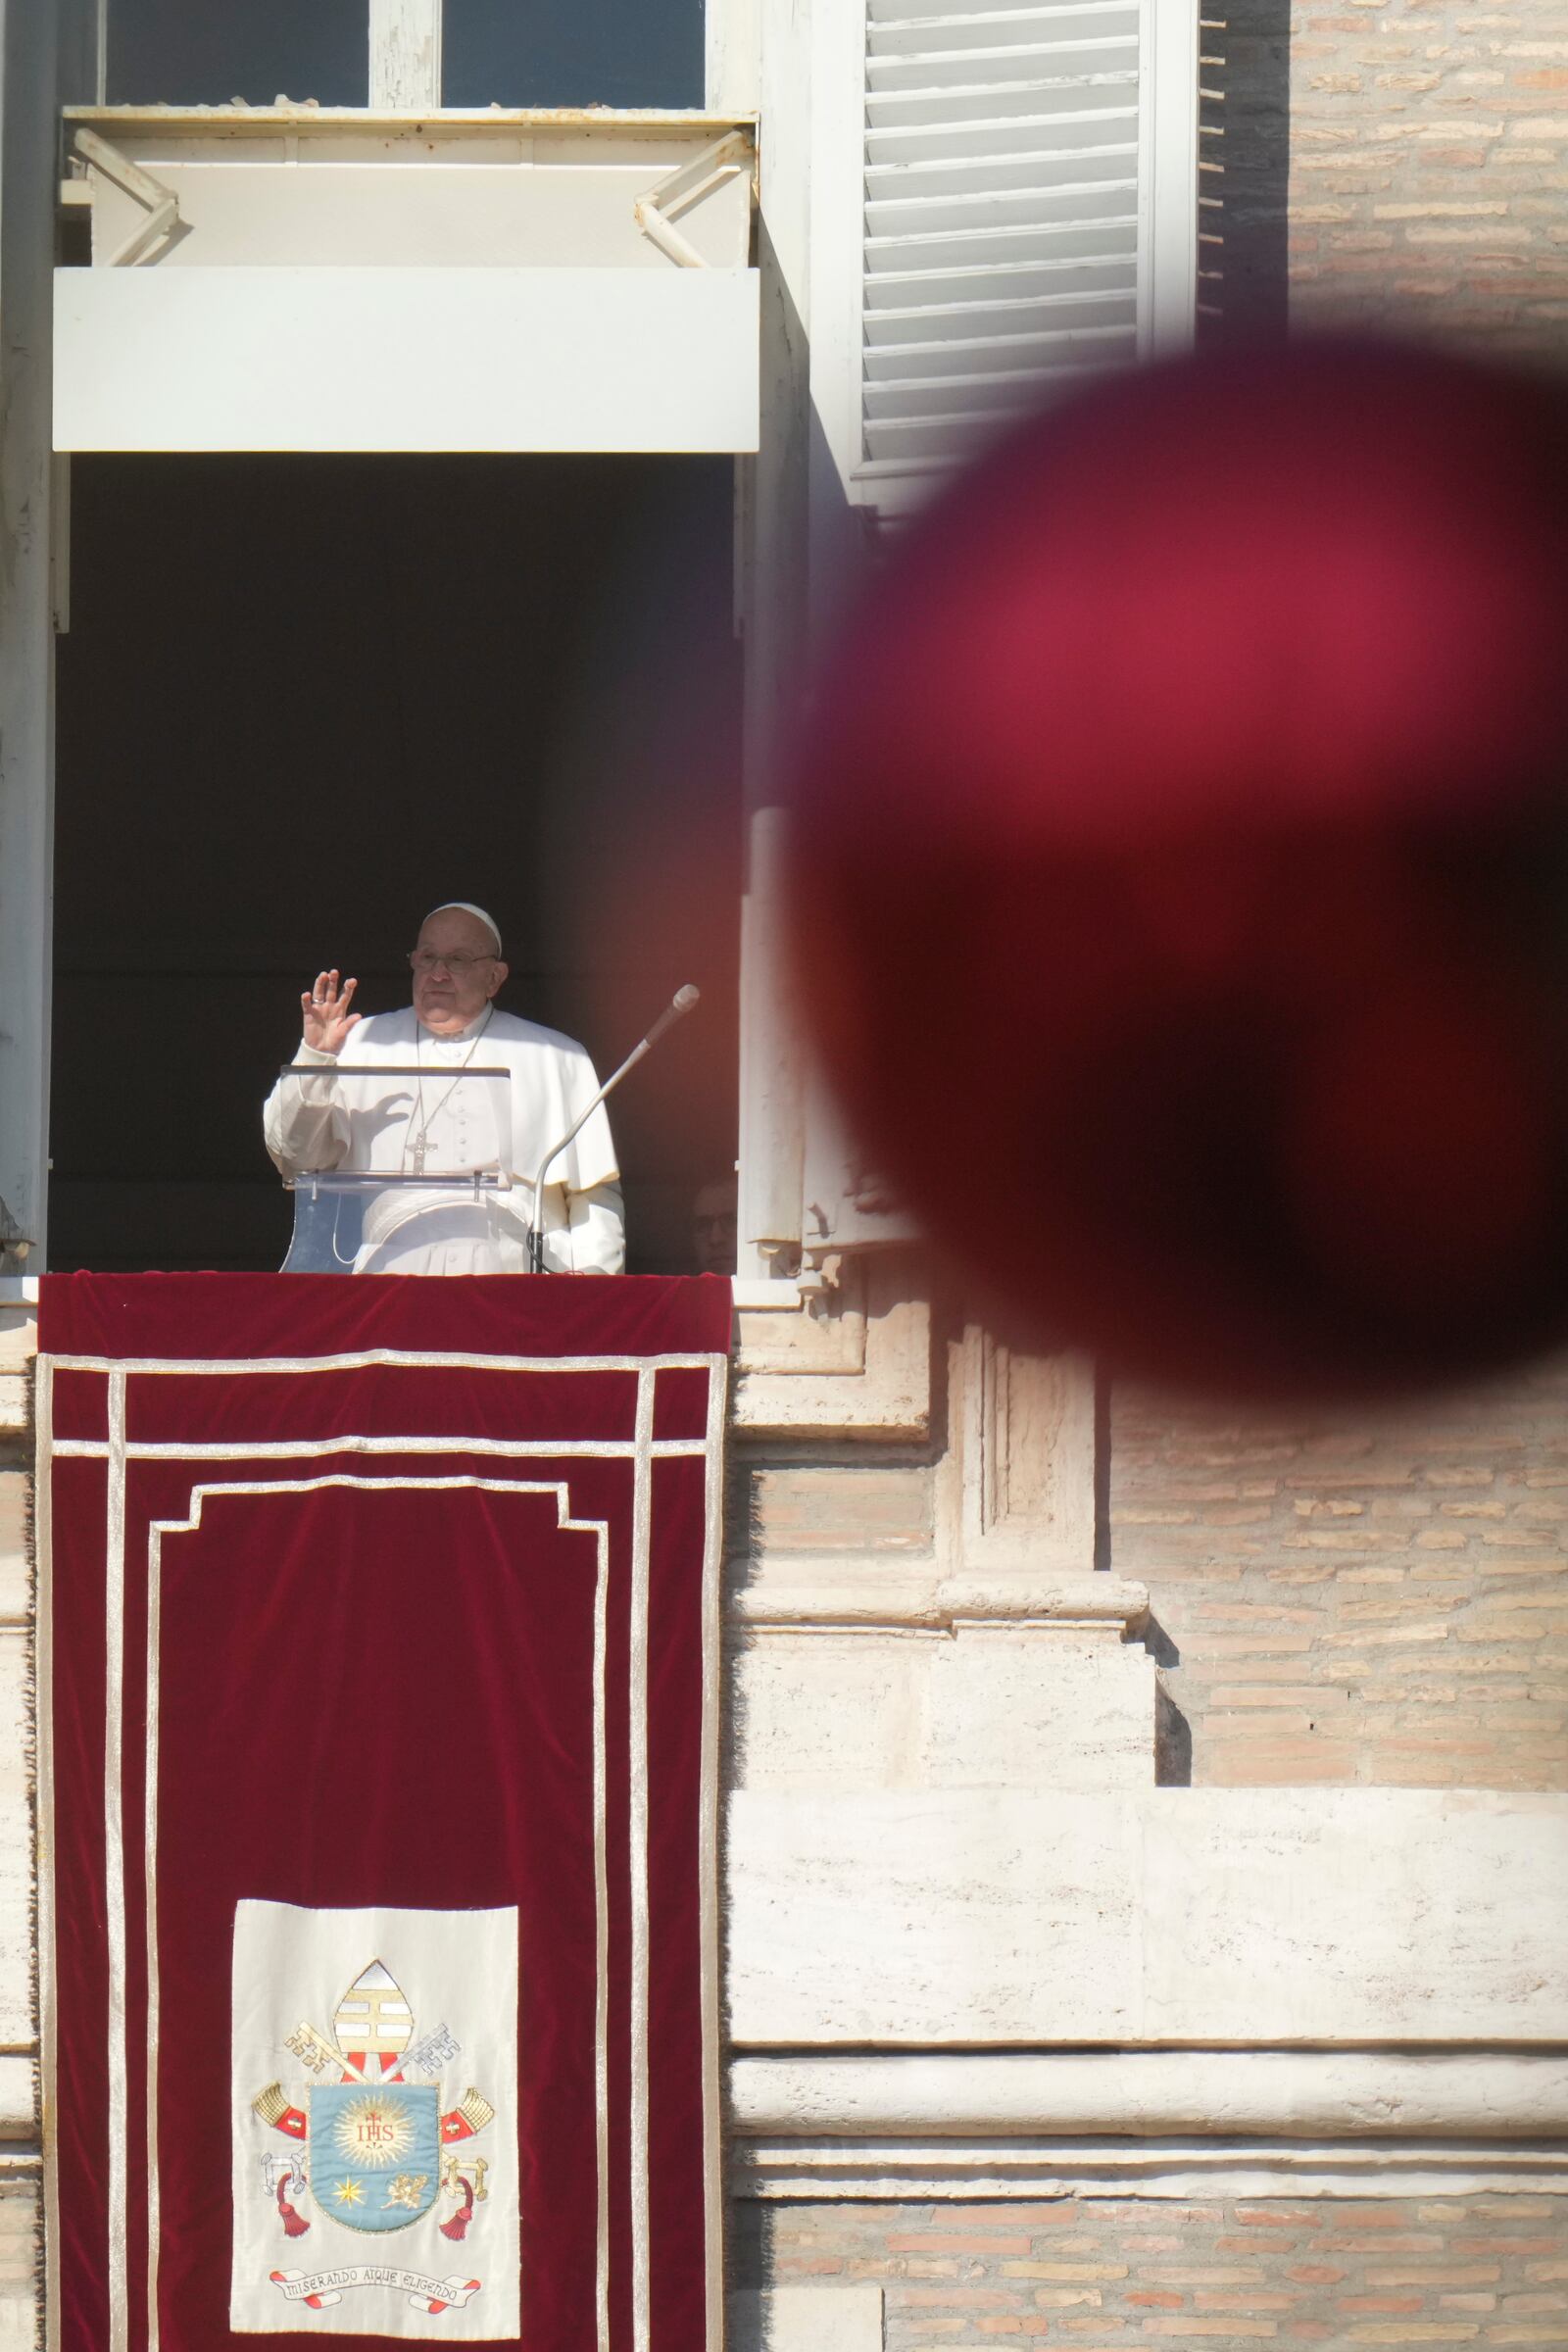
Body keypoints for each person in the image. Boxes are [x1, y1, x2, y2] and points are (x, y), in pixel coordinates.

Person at [264, 902, 624, 1274]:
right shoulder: (360, 1043)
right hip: (393, 1277)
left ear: (495, 977)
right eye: (428, 957)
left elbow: (592, 1194)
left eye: (458, 960)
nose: (438, 973)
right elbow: (296, 1157)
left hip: (521, 1276)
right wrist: (315, 1058)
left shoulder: (556, 1055)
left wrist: (595, 1285)